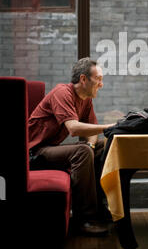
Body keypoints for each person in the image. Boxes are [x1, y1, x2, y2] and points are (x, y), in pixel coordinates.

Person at [28, 57, 114, 237]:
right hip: (33, 153)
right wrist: (109, 127)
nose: (101, 84)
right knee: (82, 151)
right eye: (98, 79)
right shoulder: (62, 92)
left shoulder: (86, 99)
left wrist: (91, 144)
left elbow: (91, 130)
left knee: (103, 144)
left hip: (51, 148)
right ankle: (84, 218)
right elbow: (74, 129)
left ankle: (101, 207)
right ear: (83, 79)